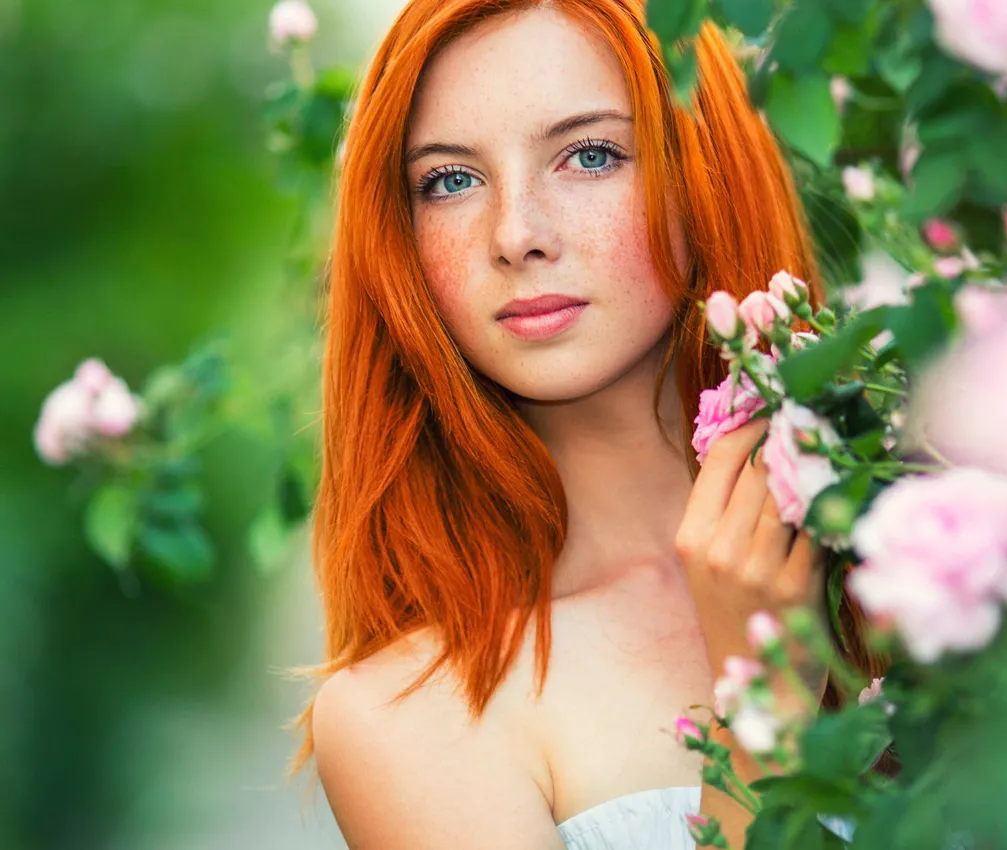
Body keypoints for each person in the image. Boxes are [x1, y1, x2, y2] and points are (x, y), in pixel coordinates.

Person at [291, 1, 883, 847]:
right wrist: (764, 702)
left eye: (590, 155)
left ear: (706, 166)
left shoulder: (926, 509)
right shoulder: (407, 715)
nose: (516, 234)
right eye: (450, 180)